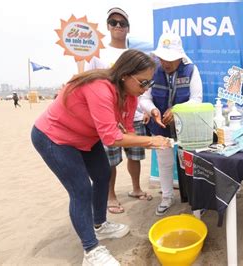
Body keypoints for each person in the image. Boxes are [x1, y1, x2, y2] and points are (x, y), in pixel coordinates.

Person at [31, 49, 171, 265]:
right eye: (143, 83)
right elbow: (111, 137)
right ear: (125, 75)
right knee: (81, 190)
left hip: (85, 136)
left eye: (149, 84)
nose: (145, 89)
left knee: (103, 175)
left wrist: (152, 140)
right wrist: (151, 141)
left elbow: (127, 132)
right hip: (54, 137)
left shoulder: (131, 95)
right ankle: (91, 250)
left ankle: (100, 225)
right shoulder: (100, 87)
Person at [85, 7, 152, 214]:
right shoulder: (98, 53)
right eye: (113, 22)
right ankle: (110, 195)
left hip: (135, 114)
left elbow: (140, 88)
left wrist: (147, 107)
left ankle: (136, 188)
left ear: (128, 28)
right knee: (110, 158)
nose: (118, 26)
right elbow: (89, 84)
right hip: (109, 116)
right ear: (107, 26)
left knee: (135, 154)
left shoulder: (136, 54)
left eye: (122, 23)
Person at [141, 32, 203, 216]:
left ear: (180, 56)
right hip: (159, 126)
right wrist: (152, 110)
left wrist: (177, 110)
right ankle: (167, 197)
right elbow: (144, 97)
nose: (166, 63)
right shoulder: (153, 71)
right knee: (164, 162)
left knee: (190, 163)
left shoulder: (191, 69)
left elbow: (196, 99)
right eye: (162, 58)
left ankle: (195, 200)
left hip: (186, 126)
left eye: (171, 58)